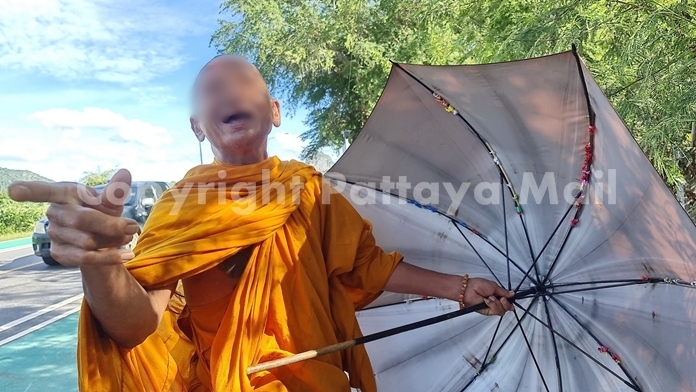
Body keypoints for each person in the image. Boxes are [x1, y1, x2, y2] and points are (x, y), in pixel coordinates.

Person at [8, 55, 514, 392]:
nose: (229, 91)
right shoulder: (179, 206)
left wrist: (461, 288)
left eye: (245, 82)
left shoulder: (309, 189)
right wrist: (99, 266)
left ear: (274, 111)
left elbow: (367, 266)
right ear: (197, 125)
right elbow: (135, 326)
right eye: (211, 89)